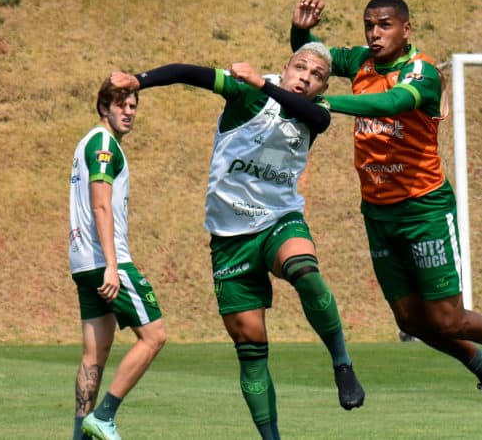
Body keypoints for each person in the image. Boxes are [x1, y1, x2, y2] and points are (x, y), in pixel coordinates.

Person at [290, 0, 482, 423]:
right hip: (378, 211)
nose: (375, 34)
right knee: (410, 320)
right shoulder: (360, 62)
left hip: (424, 209)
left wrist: (328, 104)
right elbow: (310, 57)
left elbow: (393, 104)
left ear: (406, 29)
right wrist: (301, 32)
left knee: (448, 319)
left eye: (385, 25)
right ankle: (481, 364)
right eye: (369, 25)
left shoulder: (422, 72)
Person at [109, 43, 364, 440]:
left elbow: (315, 116)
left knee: (305, 272)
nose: (306, 78)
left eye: (316, 76)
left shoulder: (316, 110)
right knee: (250, 345)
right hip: (229, 238)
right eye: (301, 68)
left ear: (323, 85)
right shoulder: (245, 93)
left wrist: (263, 81)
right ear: (286, 67)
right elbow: (188, 71)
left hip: (279, 220)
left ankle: (342, 364)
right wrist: (138, 80)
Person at [69, 79, 167, 440]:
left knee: (95, 354)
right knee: (154, 336)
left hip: (82, 263)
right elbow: (100, 205)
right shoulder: (104, 144)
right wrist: (112, 264)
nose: (129, 112)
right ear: (103, 108)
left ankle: (80, 436)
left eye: (133, 106)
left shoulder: (86, 143)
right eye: (121, 105)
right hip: (105, 261)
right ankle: (105, 416)